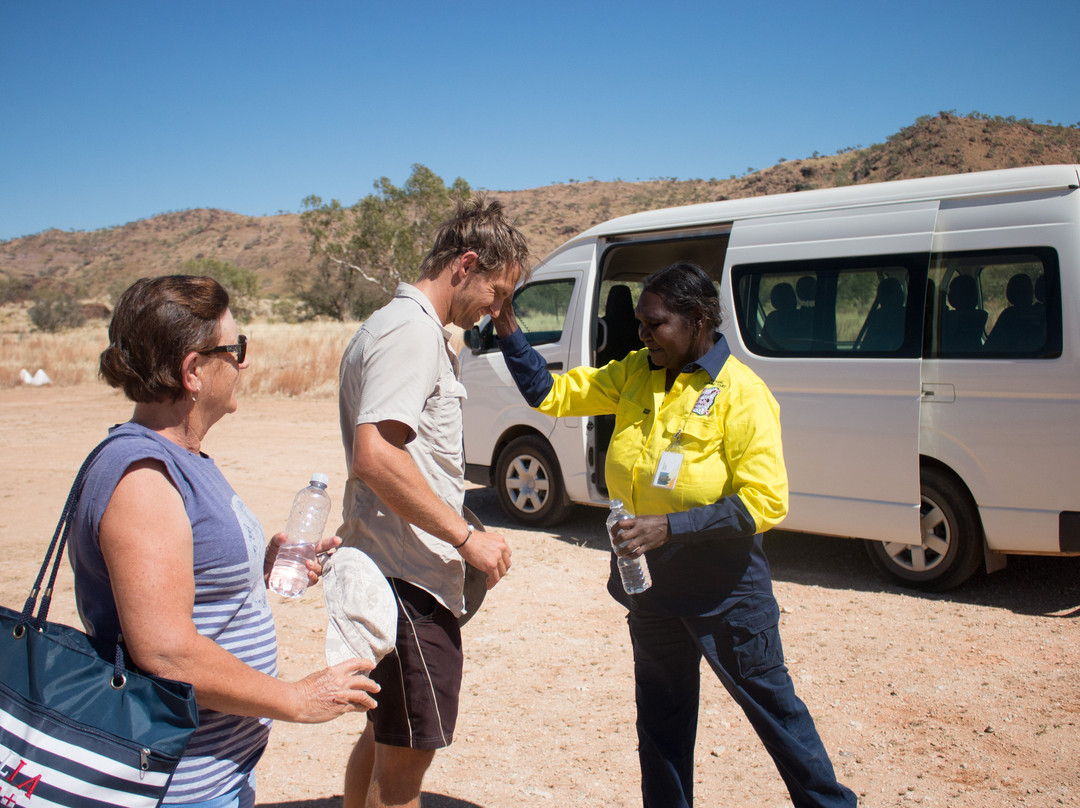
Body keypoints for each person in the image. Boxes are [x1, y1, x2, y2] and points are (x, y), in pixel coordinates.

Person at [493, 263, 857, 808]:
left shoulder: (742, 393)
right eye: (639, 323)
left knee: (778, 719)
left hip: (727, 595)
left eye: (654, 323)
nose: (641, 334)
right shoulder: (635, 372)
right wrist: (506, 325)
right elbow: (549, 394)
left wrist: (670, 527)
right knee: (661, 725)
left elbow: (766, 501)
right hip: (653, 594)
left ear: (698, 319)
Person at [68, 275, 380, 808]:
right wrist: (295, 698)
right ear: (193, 370)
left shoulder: (181, 459)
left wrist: (260, 566)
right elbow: (165, 651)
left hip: (214, 773)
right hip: (175, 786)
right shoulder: (141, 477)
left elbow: (181, 580)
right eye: (235, 350)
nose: (244, 363)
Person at [336, 195, 530, 808]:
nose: (496, 311)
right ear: (465, 264)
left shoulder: (395, 327)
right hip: (410, 581)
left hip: (397, 570)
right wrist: (467, 538)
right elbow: (376, 456)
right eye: (497, 293)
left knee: (386, 732)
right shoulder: (412, 334)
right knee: (404, 774)